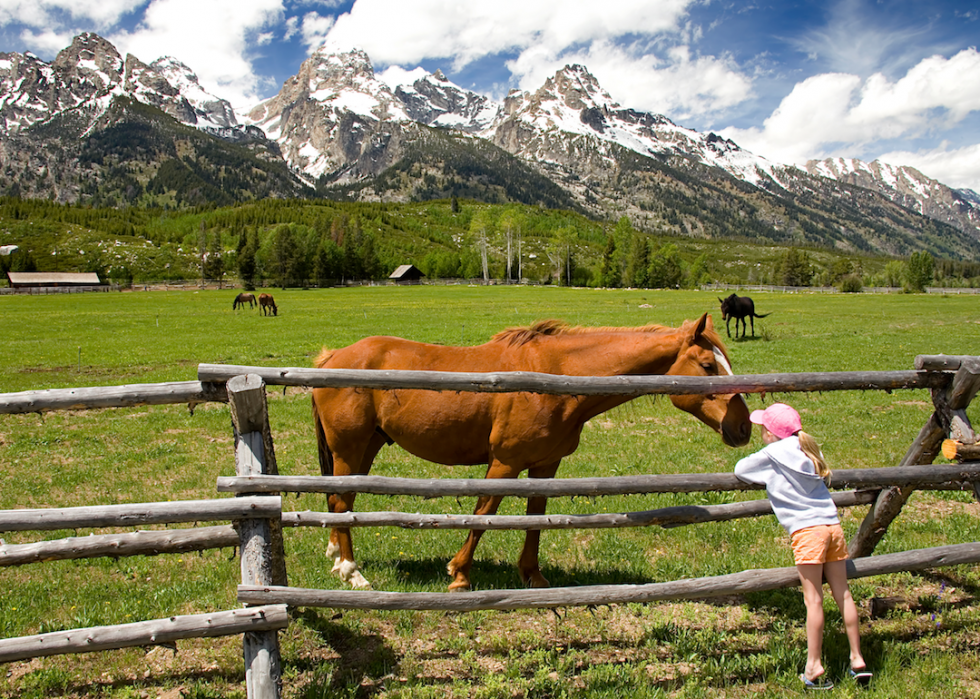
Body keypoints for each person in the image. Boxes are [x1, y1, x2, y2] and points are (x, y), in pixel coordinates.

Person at [734, 402, 871, 690]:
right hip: (832, 526)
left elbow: (741, 469)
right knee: (843, 594)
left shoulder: (772, 454)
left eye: (763, 428)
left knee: (814, 601)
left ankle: (814, 665)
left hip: (807, 532)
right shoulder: (809, 448)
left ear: (770, 433)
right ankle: (857, 658)